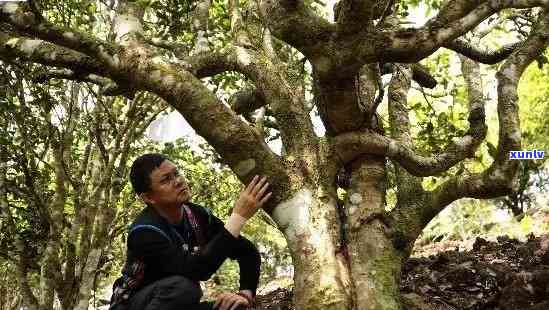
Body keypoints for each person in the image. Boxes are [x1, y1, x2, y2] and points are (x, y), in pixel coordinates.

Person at [109, 153, 272, 310]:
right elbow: (197, 270)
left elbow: (247, 252)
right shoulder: (144, 232)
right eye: (166, 180)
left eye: (176, 173)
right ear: (148, 198)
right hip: (133, 304)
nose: (178, 181)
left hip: (178, 303)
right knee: (183, 287)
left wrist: (245, 294)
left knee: (235, 307)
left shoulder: (198, 215)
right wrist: (238, 217)